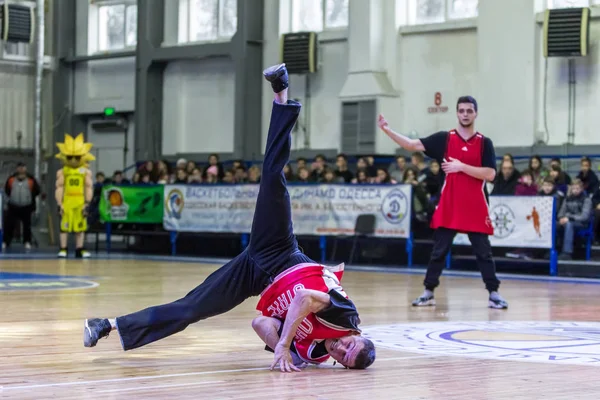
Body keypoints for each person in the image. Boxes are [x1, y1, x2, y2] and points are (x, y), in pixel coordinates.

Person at [83, 63, 376, 372]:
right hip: (280, 251)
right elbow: (303, 297)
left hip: (255, 275)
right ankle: (282, 93)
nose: (341, 347)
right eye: (349, 344)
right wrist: (285, 345)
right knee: (273, 177)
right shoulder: (347, 316)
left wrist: (283, 348)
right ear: (356, 334)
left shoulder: (313, 354)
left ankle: (107, 325)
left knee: (192, 308)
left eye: (343, 355)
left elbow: (260, 321)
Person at [378, 96, 508, 309]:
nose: (465, 114)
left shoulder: (485, 143)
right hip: (450, 205)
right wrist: (387, 130)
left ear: (475, 113)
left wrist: (461, 167)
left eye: (469, 110)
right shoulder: (443, 139)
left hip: (476, 206)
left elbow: (491, 174)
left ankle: (494, 293)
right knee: (438, 251)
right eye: (462, 110)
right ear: (457, 113)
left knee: (484, 253)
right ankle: (428, 292)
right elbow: (411, 145)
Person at [55, 134, 94, 258]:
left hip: (80, 201)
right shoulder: (63, 172)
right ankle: (63, 248)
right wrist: (59, 203)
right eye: (70, 157)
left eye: (77, 157)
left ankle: (79, 249)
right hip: (67, 201)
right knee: (64, 227)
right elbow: (60, 187)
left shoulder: (85, 172)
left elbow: (88, 187)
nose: (73, 160)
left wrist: (87, 203)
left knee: (80, 227)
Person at [2, 162, 40, 250]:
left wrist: (29, 199)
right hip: (13, 206)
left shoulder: (31, 180)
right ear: (17, 169)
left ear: (25, 169)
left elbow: (37, 191)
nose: (21, 169)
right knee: (9, 225)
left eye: (23, 167)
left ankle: (27, 242)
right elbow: (7, 190)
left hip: (26, 206)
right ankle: (6, 242)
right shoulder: (11, 179)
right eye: (19, 167)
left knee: (27, 226)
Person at [556, 179, 592, 260]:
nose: (575, 191)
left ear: (582, 189)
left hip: (581, 224)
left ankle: (567, 253)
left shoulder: (586, 199)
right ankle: (552, 250)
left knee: (569, 224)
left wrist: (569, 218)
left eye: (577, 188)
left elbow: (584, 216)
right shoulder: (567, 198)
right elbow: (560, 213)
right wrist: (562, 218)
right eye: (573, 188)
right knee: (554, 224)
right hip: (567, 221)